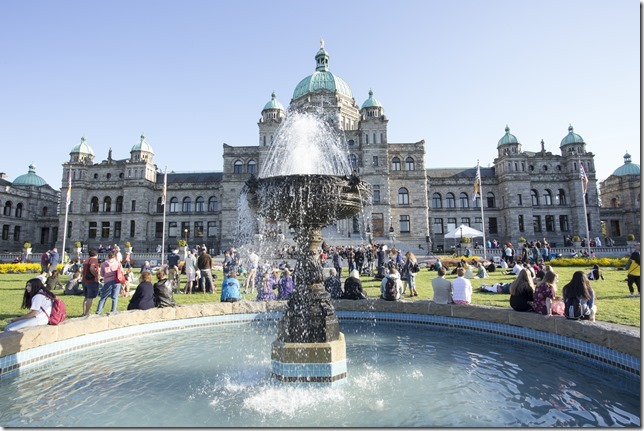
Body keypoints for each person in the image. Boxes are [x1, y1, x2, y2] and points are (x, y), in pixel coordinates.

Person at [95, 250, 123, 315]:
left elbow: (102, 274)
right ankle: (113, 311)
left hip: (107, 281)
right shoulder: (118, 263)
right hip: (116, 281)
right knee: (115, 297)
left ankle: (98, 311)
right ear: (115, 256)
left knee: (103, 297)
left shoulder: (104, 264)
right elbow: (121, 272)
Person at [81, 249, 101, 317]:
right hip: (91, 281)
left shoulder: (86, 260)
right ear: (96, 255)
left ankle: (84, 312)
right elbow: (92, 268)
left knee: (86, 297)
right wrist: (96, 276)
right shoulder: (94, 260)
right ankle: (87, 313)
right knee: (90, 297)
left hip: (84, 280)